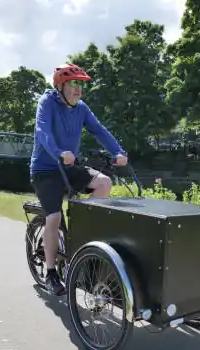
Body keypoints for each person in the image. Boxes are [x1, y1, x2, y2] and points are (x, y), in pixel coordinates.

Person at [30, 63, 128, 295]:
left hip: (69, 166)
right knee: (53, 217)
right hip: (45, 170)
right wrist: (58, 152)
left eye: (81, 84)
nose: (78, 89)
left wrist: (118, 152)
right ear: (60, 86)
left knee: (104, 183)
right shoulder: (47, 103)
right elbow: (42, 131)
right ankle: (52, 273)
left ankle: (81, 235)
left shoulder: (81, 108)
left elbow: (100, 130)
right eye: (73, 83)